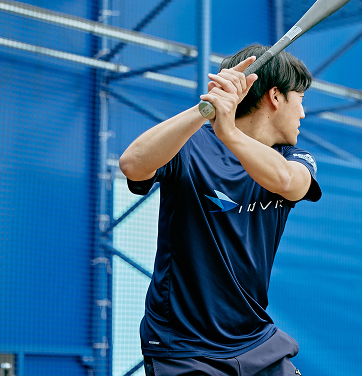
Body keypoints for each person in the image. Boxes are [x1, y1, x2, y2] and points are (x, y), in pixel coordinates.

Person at [119, 44, 322, 376]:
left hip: (254, 339)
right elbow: (132, 164)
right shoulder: (190, 144)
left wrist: (228, 132)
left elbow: (289, 182)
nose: (302, 113)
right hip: (185, 346)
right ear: (275, 96)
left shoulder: (291, 158)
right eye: (300, 99)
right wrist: (206, 109)